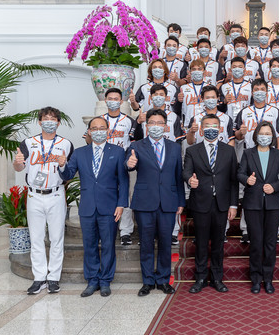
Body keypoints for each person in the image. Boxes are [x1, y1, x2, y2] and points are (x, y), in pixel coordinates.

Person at [59, 116, 129, 297]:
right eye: (94, 128)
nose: (98, 131)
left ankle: (105, 281)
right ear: (89, 132)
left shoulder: (118, 152)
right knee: (89, 245)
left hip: (110, 207)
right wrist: (61, 165)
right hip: (88, 208)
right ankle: (92, 280)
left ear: (108, 131)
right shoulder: (80, 153)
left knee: (108, 245)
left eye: (102, 128)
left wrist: (121, 204)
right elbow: (68, 174)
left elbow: (124, 180)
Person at [13, 106, 74, 295]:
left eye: (53, 118)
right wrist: (17, 162)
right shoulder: (28, 143)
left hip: (55, 194)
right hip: (34, 195)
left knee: (56, 238)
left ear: (58, 122)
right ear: (39, 122)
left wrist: (63, 165)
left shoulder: (66, 144)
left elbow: (69, 174)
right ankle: (39, 277)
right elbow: (19, 167)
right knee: (37, 238)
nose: (49, 121)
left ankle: (53, 278)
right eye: (46, 118)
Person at [126, 109, 186, 296]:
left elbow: (178, 176)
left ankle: (163, 280)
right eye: (152, 122)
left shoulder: (174, 147)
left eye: (160, 123)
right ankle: (147, 281)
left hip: (168, 201)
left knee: (166, 243)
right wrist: (129, 164)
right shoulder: (137, 146)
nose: (156, 126)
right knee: (145, 243)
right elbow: (126, 165)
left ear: (166, 126)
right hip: (145, 202)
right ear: (146, 125)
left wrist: (181, 200)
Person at [183, 114, 239, 293]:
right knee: (200, 242)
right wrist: (189, 181)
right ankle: (200, 278)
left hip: (221, 204)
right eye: (207, 125)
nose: (211, 129)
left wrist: (233, 205)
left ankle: (217, 278)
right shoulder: (192, 150)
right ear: (201, 129)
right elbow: (186, 172)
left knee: (217, 243)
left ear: (220, 129)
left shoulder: (229, 151)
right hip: (200, 203)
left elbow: (233, 180)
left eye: (214, 125)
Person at [86, 87, 142, 246]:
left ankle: (125, 231)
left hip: (121, 161)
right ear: (105, 100)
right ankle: (105, 227)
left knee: (125, 195)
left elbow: (133, 142)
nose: (113, 101)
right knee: (104, 194)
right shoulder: (98, 120)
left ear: (121, 101)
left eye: (116, 98)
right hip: (101, 161)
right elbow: (87, 141)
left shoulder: (128, 121)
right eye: (110, 98)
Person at [237, 122, 279, 294]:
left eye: (268, 133)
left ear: (272, 136)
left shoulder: (277, 154)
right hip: (253, 204)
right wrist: (247, 180)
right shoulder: (247, 153)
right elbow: (240, 173)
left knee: (270, 243)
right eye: (262, 133)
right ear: (256, 135)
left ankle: (268, 279)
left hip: (273, 204)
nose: (265, 136)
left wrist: (275, 187)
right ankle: (256, 279)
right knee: (256, 243)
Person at [220, 57, 253, 123]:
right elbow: (220, 108)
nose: (237, 69)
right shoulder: (224, 87)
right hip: (229, 121)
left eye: (240, 67)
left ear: (244, 70)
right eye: (234, 67)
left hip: (246, 121)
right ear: (231, 69)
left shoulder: (251, 86)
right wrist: (224, 102)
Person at [177, 59, 207, 128]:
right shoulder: (183, 88)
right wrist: (178, 101)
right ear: (190, 72)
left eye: (199, 69)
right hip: (188, 125)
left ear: (204, 72)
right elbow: (177, 108)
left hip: (205, 124)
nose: (197, 71)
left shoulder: (210, 87)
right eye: (194, 69)